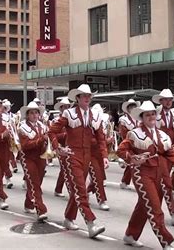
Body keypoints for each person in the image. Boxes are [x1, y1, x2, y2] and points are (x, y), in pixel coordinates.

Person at [117, 100, 174, 250]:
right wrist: (133, 158)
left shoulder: (161, 134)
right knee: (155, 208)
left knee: (144, 205)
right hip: (142, 174)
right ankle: (166, 242)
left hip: (159, 173)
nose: (152, 116)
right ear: (142, 117)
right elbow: (121, 150)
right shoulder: (135, 133)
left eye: (153, 113)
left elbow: (169, 152)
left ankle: (130, 235)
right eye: (148, 115)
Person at [48, 84, 107, 238]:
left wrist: (105, 156)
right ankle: (91, 223)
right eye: (84, 96)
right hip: (72, 153)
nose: (87, 98)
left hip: (87, 155)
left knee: (77, 190)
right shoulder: (69, 113)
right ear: (78, 98)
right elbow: (52, 131)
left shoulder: (95, 115)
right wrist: (58, 148)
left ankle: (68, 218)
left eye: (89, 96)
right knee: (81, 189)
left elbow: (101, 138)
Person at [152, 88, 174, 225]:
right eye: (166, 99)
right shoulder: (153, 114)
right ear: (160, 101)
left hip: (168, 153)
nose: (168, 102)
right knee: (162, 184)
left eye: (170, 99)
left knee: (164, 184)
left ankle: (164, 212)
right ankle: (163, 212)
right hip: (155, 154)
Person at [18, 101, 49, 221]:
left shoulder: (43, 126)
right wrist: (41, 139)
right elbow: (25, 145)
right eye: (32, 113)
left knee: (36, 182)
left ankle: (28, 203)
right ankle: (41, 209)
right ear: (27, 115)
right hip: (28, 158)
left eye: (36, 113)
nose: (35, 115)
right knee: (34, 184)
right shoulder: (22, 128)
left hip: (41, 157)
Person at [87, 103, 110, 211]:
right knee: (97, 175)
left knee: (99, 176)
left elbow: (101, 140)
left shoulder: (101, 122)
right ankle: (101, 200)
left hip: (98, 153)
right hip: (86, 152)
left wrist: (105, 156)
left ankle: (84, 192)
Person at [118, 99, 140, 190]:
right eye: (131, 107)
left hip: (137, 144)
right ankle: (128, 182)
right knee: (133, 163)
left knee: (132, 164)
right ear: (128, 109)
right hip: (128, 144)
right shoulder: (124, 120)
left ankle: (124, 182)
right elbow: (123, 134)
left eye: (134, 106)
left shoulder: (138, 119)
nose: (133, 108)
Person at [52, 97, 72, 198]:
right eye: (64, 107)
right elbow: (52, 134)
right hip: (60, 146)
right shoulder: (56, 120)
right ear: (60, 108)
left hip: (71, 147)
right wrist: (64, 136)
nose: (66, 108)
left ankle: (58, 189)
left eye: (68, 106)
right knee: (66, 168)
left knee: (64, 169)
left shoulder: (72, 119)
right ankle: (72, 193)